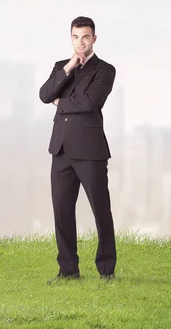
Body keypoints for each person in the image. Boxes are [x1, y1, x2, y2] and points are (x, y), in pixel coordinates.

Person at [39, 16, 117, 282]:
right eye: (75, 37)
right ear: (70, 38)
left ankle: (107, 270)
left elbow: (89, 102)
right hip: (60, 150)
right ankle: (68, 270)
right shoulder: (62, 66)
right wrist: (69, 67)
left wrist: (60, 102)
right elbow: (44, 95)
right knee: (61, 211)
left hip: (90, 151)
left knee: (101, 210)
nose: (80, 42)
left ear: (94, 38)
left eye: (85, 37)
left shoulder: (105, 70)